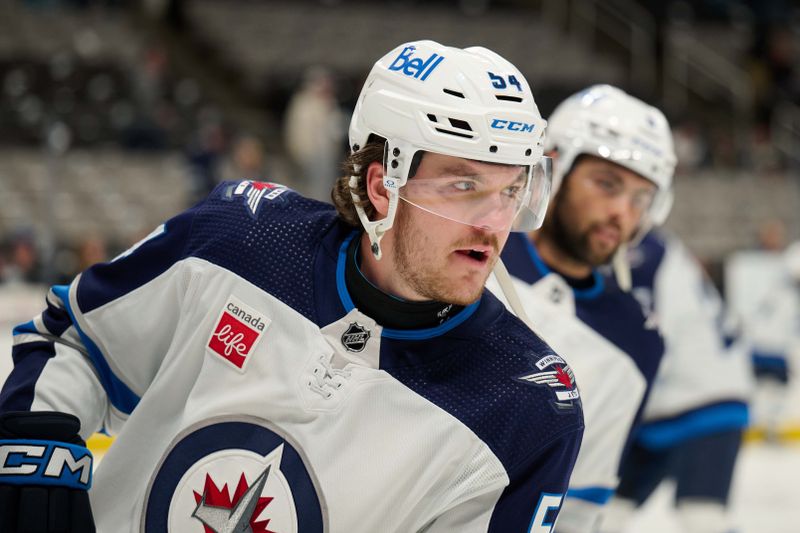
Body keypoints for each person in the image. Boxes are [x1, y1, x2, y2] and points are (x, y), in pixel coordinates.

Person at [0, 40, 583, 532]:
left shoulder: (527, 405)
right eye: (464, 185)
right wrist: (41, 442)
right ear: (382, 188)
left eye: (511, 192)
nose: (493, 223)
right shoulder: (240, 239)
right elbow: (73, 340)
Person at [487, 84, 674, 532]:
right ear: (553, 166)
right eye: (607, 185)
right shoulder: (473, 257)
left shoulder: (637, 340)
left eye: (639, 198)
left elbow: (579, 502)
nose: (621, 213)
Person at [599, 230, 753, 533]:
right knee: (601, 512)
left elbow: (649, 338)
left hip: (707, 399)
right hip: (667, 402)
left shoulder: (641, 251)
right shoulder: (655, 246)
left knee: (702, 517)